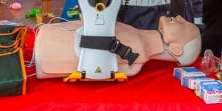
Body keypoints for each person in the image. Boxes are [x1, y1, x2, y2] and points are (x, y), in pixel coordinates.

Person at [34, 16, 201, 78]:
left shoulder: (135, 57)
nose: (180, 17)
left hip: (46, 53)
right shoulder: (137, 41)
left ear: (176, 49)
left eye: (185, 25)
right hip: (49, 41)